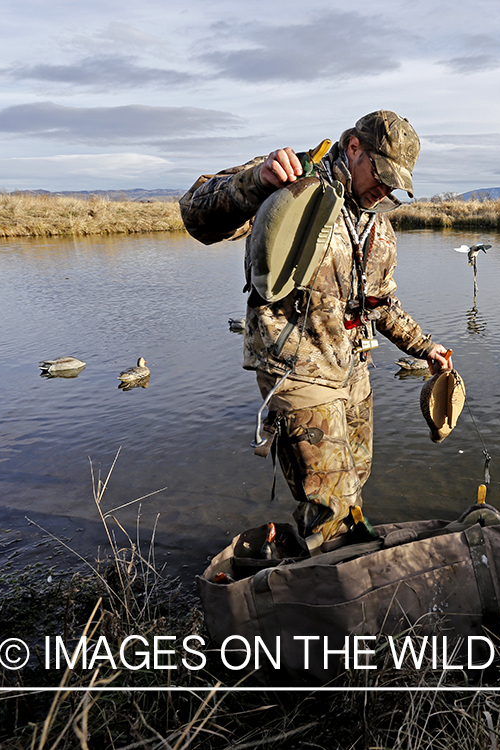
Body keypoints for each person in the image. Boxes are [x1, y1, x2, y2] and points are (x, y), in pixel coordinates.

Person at [179, 110, 452, 548]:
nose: (385, 190)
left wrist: (425, 347)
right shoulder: (293, 183)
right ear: (354, 148)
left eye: (395, 184)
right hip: (298, 372)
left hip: (353, 372)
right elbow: (195, 215)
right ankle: (329, 583)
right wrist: (256, 181)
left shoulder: (379, 224)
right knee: (330, 509)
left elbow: (381, 304)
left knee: (355, 482)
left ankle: (342, 566)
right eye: (381, 175)